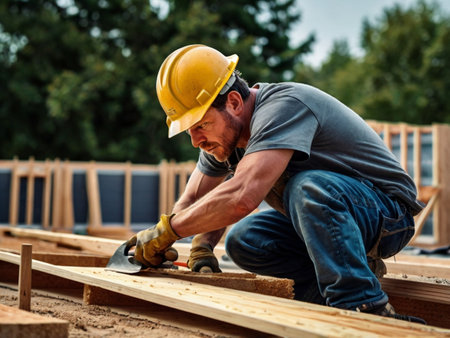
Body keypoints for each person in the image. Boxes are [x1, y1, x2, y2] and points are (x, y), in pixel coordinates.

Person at [129, 44, 426, 324]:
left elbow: (241, 196)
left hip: (387, 216)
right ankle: (321, 300)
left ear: (233, 103)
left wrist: (170, 231)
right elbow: (194, 197)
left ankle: (364, 307)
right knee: (245, 240)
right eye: (188, 131)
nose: (195, 141)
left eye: (201, 126)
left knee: (306, 188)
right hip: (330, 214)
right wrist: (193, 243)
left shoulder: (282, 108)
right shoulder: (226, 138)